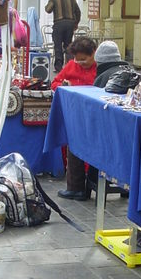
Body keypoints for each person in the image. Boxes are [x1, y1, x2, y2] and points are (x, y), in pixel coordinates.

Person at [51, 37, 97, 200]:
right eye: (78, 60)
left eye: (84, 60)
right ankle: (75, 187)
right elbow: (55, 83)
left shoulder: (99, 69)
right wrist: (64, 86)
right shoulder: (71, 66)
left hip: (93, 115)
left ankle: (86, 183)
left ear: (93, 54)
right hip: (74, 114)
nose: (81, 64)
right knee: (73, 146)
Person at [45, 0, 81, 72]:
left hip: (59, 24)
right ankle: (70, 66)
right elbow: (78, 11)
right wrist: (76, 23)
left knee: (58, 45)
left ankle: (59, 67)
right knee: (68, 45)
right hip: (70, 24)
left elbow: (48, 10)